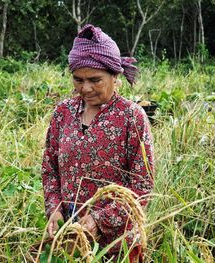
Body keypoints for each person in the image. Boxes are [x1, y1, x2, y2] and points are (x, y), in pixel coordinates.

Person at [41, 24, 154, 262]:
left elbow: (142, 185)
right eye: (78, 79)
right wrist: (55, 210)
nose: (85, 88)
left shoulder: (131, 117)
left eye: (95, 80)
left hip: (117, 241)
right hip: (70, 236)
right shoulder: (63, 112)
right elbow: (50, 169)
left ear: (115, 75)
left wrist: (99, 220)